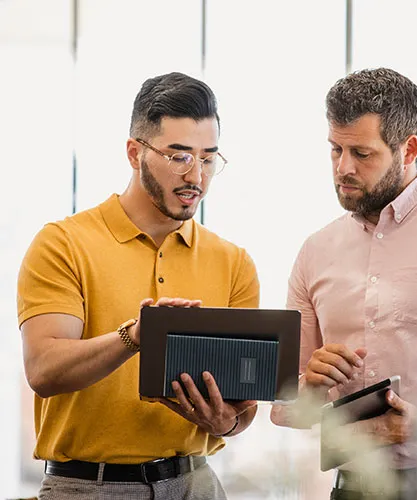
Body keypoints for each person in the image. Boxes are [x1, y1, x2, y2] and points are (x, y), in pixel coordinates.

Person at [17, 72, 259, 500]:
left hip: (197, 484)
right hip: (87, 487)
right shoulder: (63, 243)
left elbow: (243, 408)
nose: (196, 177)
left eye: (207, 159)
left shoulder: (234, 261)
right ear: (135, 152)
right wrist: (135, 337)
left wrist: (225, 422)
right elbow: (44, 370)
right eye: (179, 156)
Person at [271, 67, 417, 500]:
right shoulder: (315, 250)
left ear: (409, 148)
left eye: (361, 152)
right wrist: (311, 387)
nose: (343, 168)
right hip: (352, 487)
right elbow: (285, 409)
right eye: (335, 149)